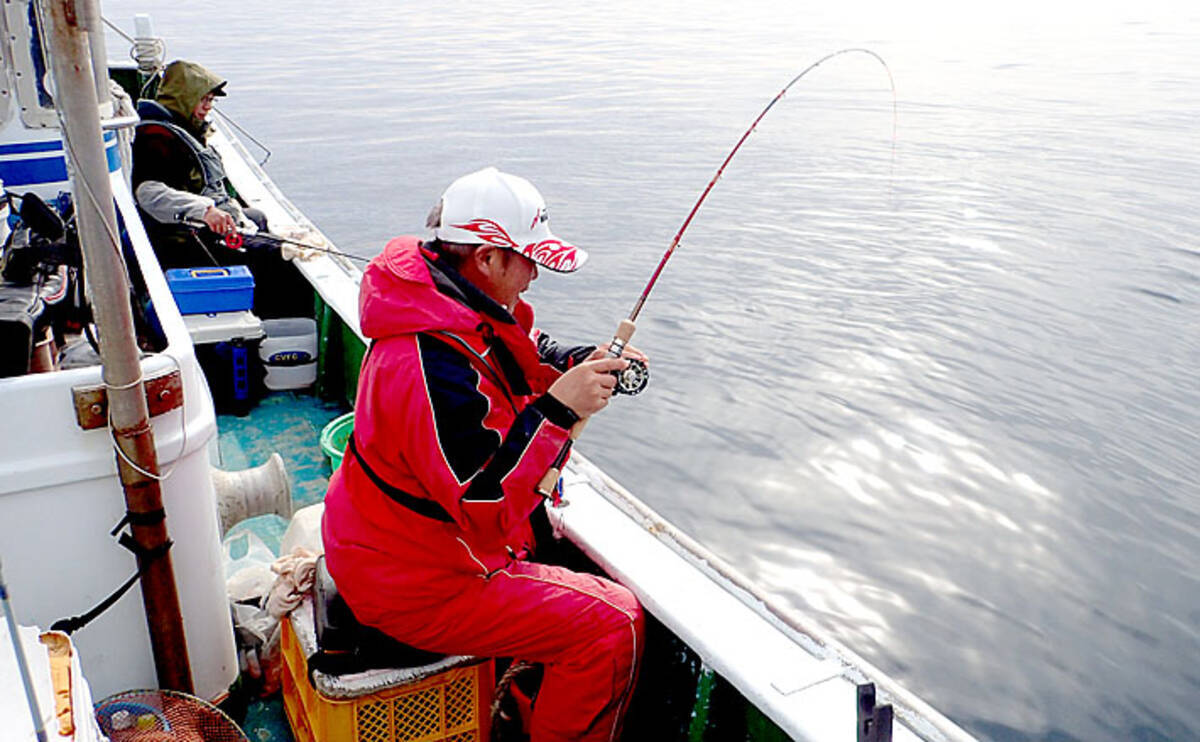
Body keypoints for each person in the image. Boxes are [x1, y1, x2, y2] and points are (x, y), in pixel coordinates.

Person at [322, 167, 645, 741]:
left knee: (557, 564)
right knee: (612, 624)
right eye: (528, 260)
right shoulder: (427, 365)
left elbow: (517, 355)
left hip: (389, 547)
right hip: (413, 582)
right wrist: (560, 411)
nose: (535, 275)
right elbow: (485, 503)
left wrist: (577, 363)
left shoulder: (443, 307)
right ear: (487, 259)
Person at [131, 60, 308, 316]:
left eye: (211, 101)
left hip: (205, 225)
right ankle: (272, 317)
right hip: (184, 236)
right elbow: (149, 193)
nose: (207, 108)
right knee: (274, 258)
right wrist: (204, 211)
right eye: (203, 100)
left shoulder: (183, 129)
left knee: (257, 217)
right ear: (184, 97)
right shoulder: (157, 138)